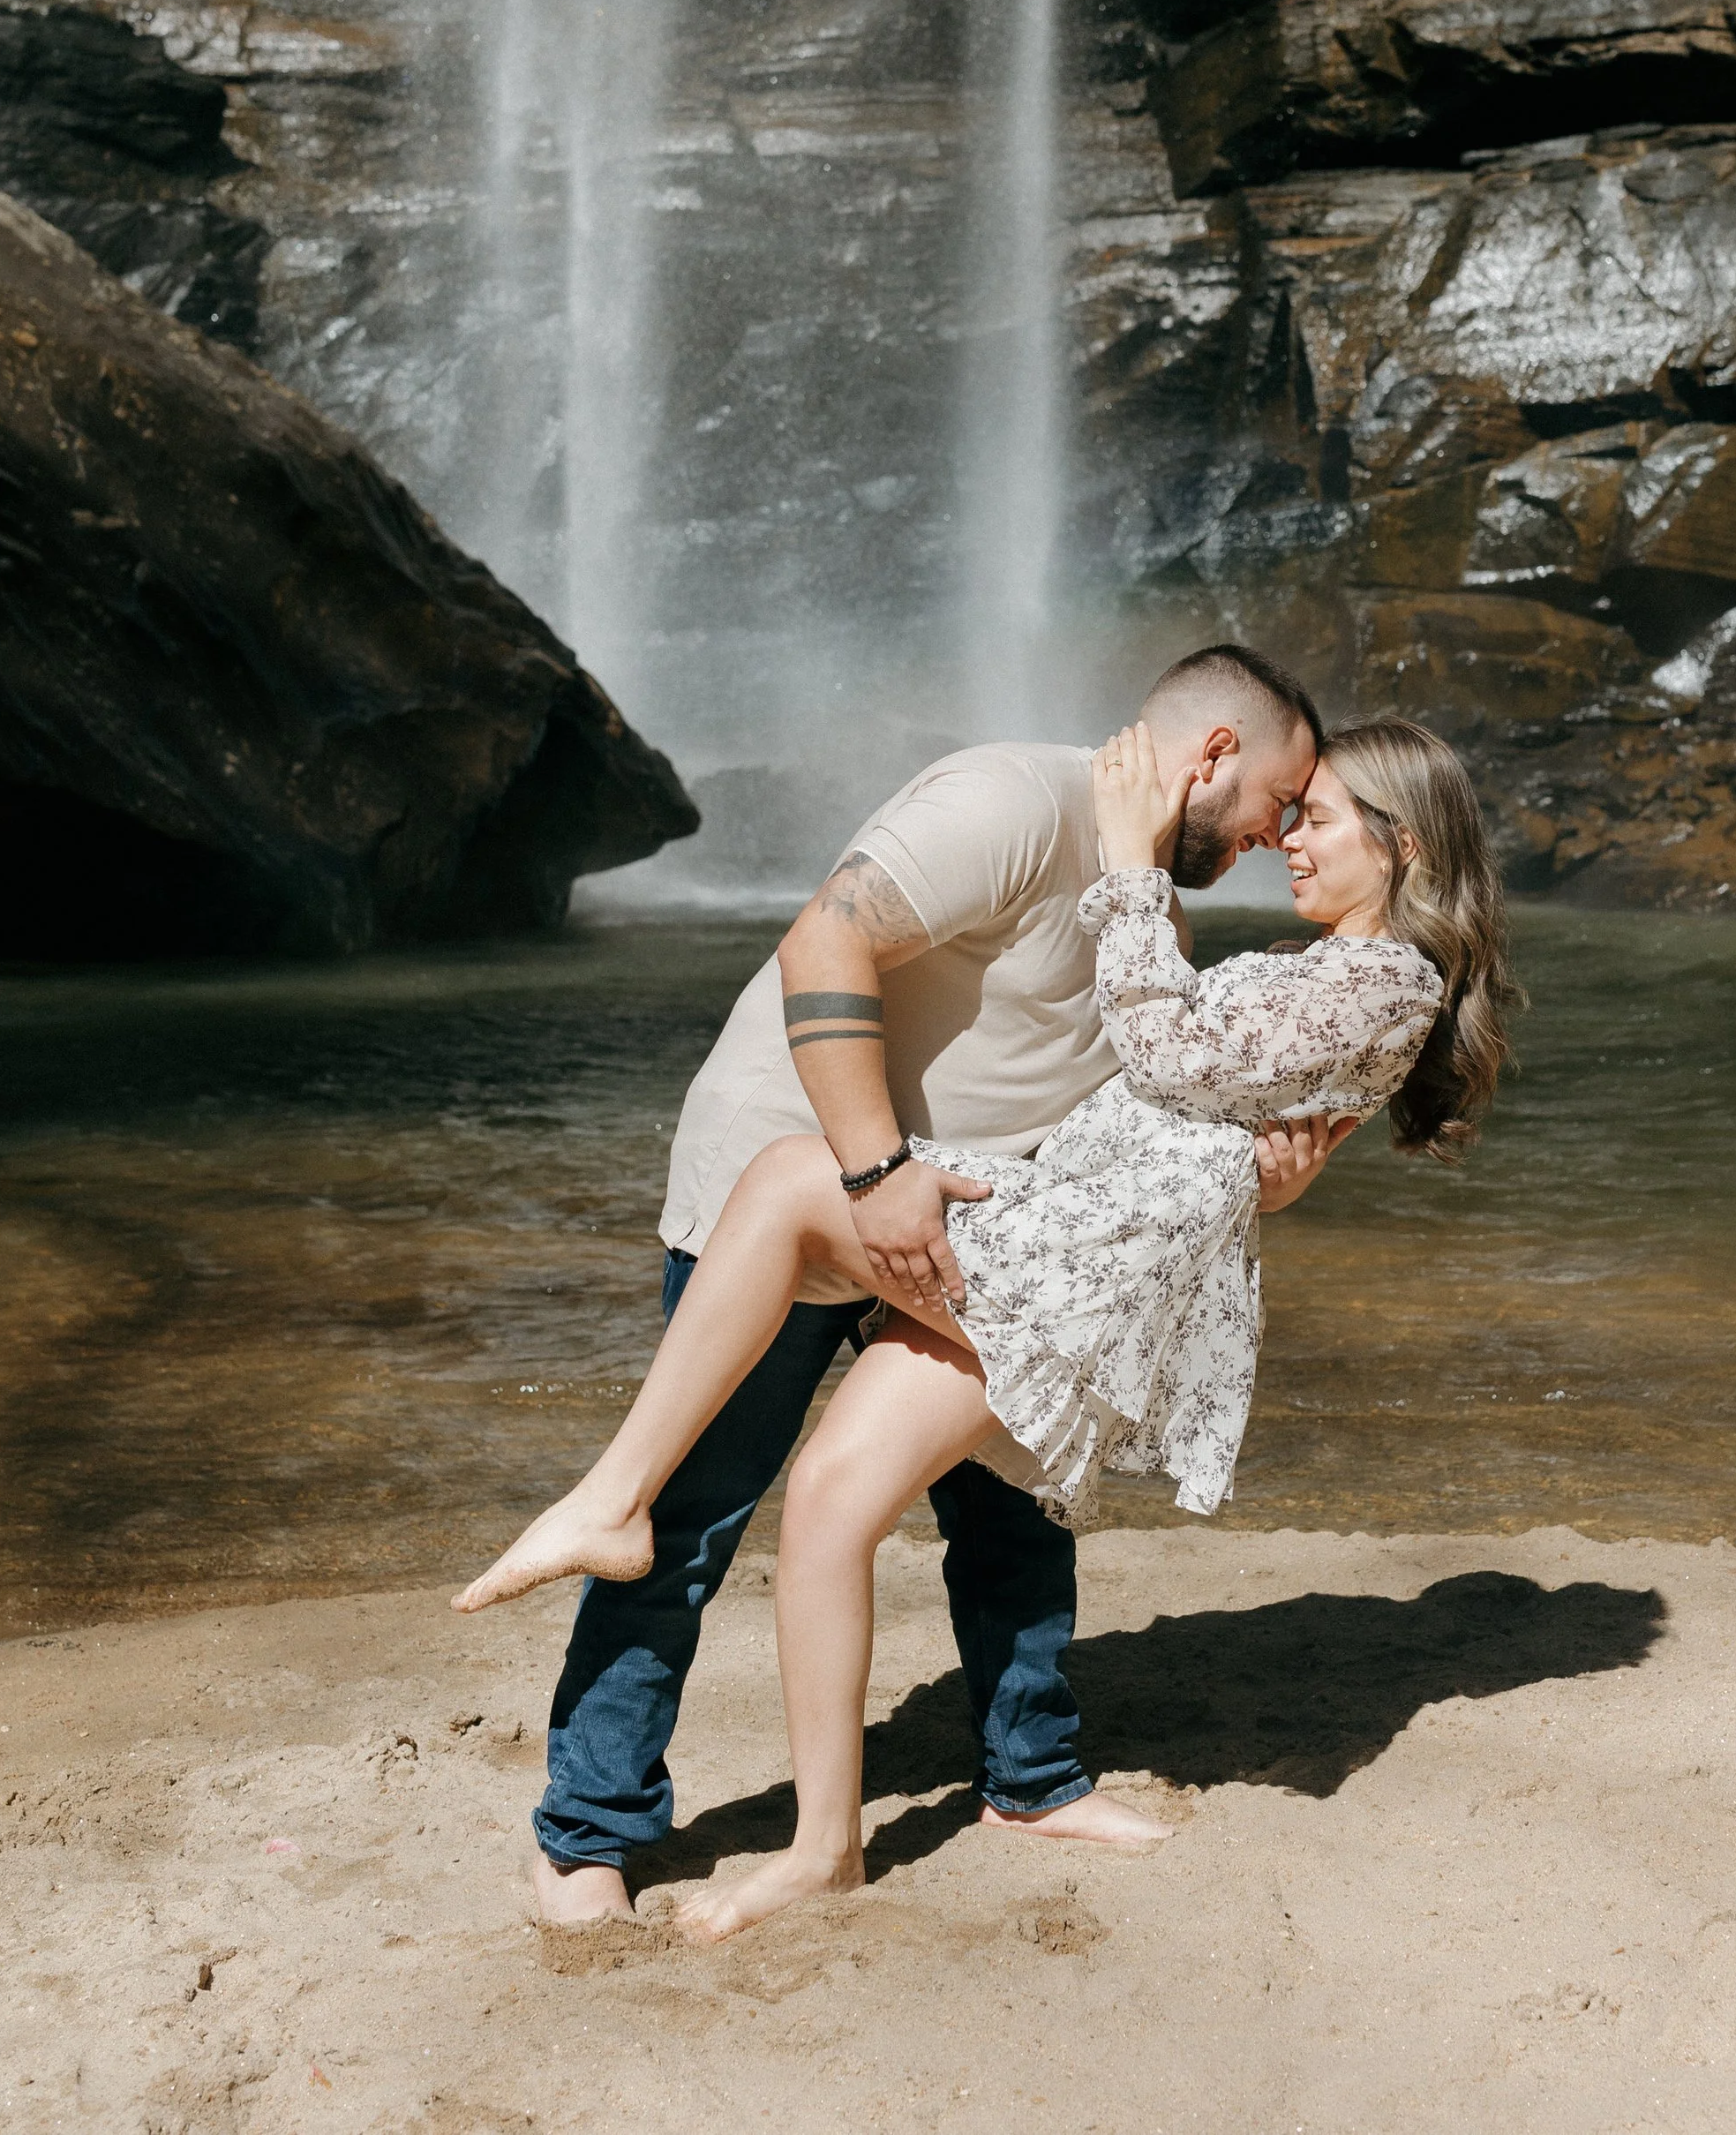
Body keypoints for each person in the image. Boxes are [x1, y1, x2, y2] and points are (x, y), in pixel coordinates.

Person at [459, 711, 1514, 1946]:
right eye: (1292, 805)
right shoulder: (1286, 939)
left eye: (1317, 817)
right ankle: (825, 1846)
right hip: (1059, 1228)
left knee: (799, 1184)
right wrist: (1255, 1161)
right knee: (830, 1500)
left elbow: (1169, 1055)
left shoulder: (1384, 976)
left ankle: (617, 1497)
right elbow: (1190, 1090)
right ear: (1216, 747)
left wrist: (1128, 862)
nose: (1289, 836)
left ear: (1401, 844)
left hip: (1082, 1273)